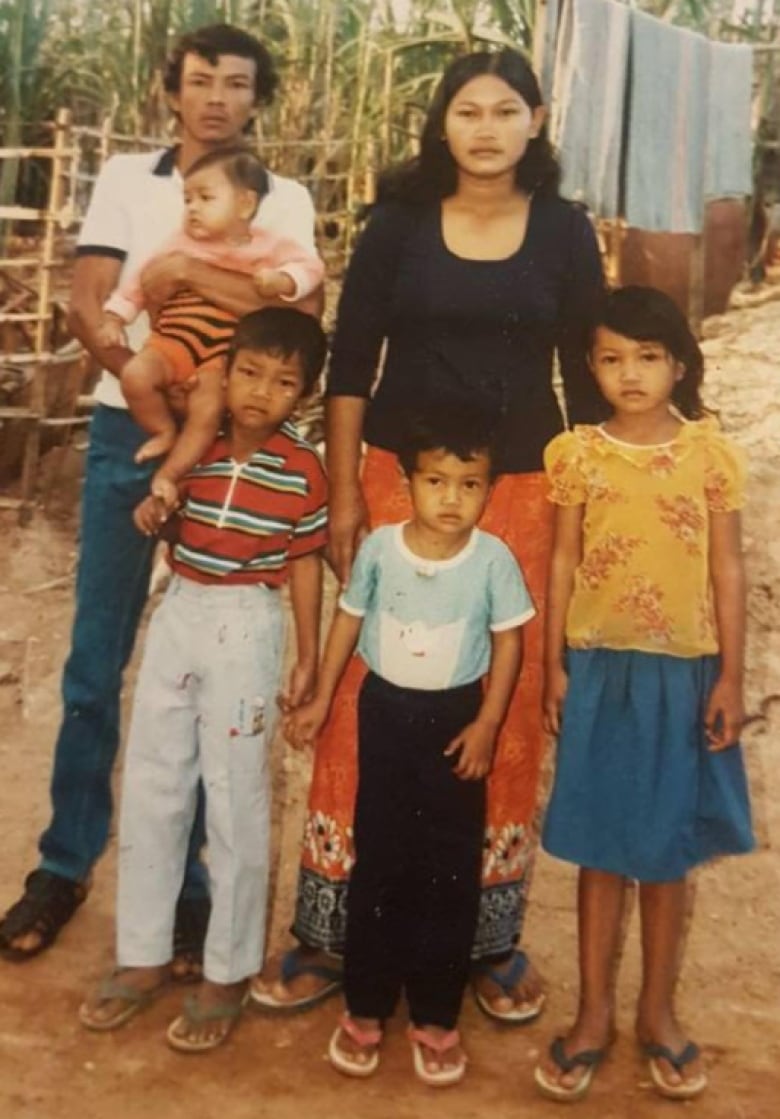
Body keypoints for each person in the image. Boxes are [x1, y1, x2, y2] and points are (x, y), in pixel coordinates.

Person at [252, 47, 604, 1018]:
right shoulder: (397, 225)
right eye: (465, 111)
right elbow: (352, 364)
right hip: (394, 487)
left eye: (504, 111)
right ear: (440, 124)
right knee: (367, 691)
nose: (484, 129)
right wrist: (349, 497)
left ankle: (485, 943)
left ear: (535, 120)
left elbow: (587, 371)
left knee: (507, 702)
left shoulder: (568, 232)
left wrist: (598, 495)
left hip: (524, 494)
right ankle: (332, 931)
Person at [0, 23, 319, 970]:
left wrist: (189, 277)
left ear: (257, 98)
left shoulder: (282, 193)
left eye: (237, 82)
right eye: (199, 80)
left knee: (207, 663)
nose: (217, 96)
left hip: (232, 450)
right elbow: (92, 297)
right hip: (124, 428)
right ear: (169, 90)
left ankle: (189, 893)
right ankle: (64, 863)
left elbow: (296, 316)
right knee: (97, 657)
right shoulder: (127, 183)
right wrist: (161, 385)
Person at [78, 307, 328, 1052]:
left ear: (305, 395)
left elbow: (307, 562)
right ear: (226, 371)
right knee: (155, 780)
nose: (260, 392)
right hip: (181, 610)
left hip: (248, 622)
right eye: (249, 372)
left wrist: (308, 654)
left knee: (236, 792)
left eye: (284, 382)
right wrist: (158, 506)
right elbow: (157, 516)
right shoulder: (196, 447)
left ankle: (226, 969)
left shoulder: (302, 468)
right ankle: (144, 954)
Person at [533, 286, 753, 1103]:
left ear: (679, 365)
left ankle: (657, 1012)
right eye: (612, 358)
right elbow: (561, 560)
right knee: (599, 849)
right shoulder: (577, 455)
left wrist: (730, 673)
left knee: (665, 854)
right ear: (590, 367)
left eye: (648, 357)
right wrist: (554, 663)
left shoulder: (709, 455)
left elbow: (727, 568)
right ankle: (593, 1014)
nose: (630, 374)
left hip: (682, 671)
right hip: (598, 669)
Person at [285, 406, 535, 1084]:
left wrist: (485, 723)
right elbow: (347, 621)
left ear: (489, 487)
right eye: (437, 481)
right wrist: (322, 697)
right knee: (380, 860)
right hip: (386, 715)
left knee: (449, 871)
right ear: (407, 481)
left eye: (470, 484)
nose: (452, 498)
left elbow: (510, 641)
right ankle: (365, 1006)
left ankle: (435, 1014)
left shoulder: (493, 560)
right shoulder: (377, 551)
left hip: (457, 724)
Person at [99, 145, 324, 489]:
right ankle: (162, 430)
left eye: (205, 198)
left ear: (245, 204)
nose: (192, 209)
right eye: (188, 200)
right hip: (172, 341)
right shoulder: (178, 242)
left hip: (220, 354)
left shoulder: (268, 246)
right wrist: (116, 316)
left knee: (208, 409)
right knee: (135, 375)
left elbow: (311, 270)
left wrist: (284, 280)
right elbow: (140, 283)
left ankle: (170, 473)